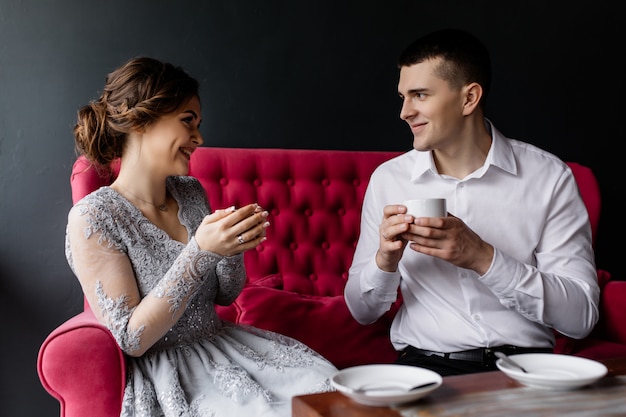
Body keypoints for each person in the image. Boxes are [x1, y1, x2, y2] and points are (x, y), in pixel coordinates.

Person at [66, 56, 337, 417]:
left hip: (223, 345)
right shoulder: (94, 216)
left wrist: (232, 247)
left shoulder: (190, 192)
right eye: (187, 121)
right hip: (168, 372)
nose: (199, 138)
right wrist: (201, 251)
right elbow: (131, 338)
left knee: (330, 389)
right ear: (141, 120)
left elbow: (226, 294)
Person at [344, 29, 600, 376]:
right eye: (403, 96)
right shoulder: (389, 180)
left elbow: (581, 317)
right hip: (425, 367)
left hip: (525, 369)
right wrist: (384, 260)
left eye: (420, 95)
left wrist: (482, 256)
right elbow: (362, 311)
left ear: (469, 98)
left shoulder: (549, 177)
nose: (405, 111)